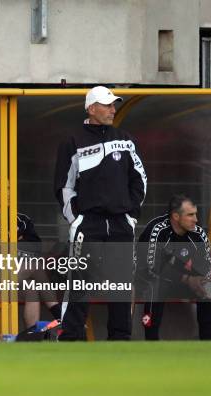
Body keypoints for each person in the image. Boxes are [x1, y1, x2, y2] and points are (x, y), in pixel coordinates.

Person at [53, 86, 147, 341]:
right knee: (80, 282)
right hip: (89, 223)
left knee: (121, 284)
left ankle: (120, 340)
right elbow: (64, 185)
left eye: (113, 105)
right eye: (107, 105)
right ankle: (71, 338)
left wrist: (131, 215)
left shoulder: (125, 138)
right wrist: (76, 220)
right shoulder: (72, 140)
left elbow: (139, 179)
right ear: (91, 108)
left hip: (120, 223)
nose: (113, 110)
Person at [0, 172, 61, 328]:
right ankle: (61, 315)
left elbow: (36, 248)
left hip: (15, 277)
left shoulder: (22, 219)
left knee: (32, 287)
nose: (6, 194)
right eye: (0, 190)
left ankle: (31, 336)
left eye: (8, 189)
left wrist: (6, 245)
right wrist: (19, 244)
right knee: (34, 265)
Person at [137, 194, 211, 340]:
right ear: (176, 216)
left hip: (182, 280)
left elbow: (206, 266)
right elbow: (151, 268)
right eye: (190, 215)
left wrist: (199, 279)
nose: (196, 219)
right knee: (156, 286)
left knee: (209, 288)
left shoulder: (198, 234)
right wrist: (186, 278)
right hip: (146, 278)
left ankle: (207, 343)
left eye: (196, 214)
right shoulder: (157, 230)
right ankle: (151, 343)